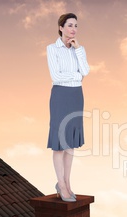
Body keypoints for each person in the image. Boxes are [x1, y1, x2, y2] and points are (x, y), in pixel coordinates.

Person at [46, 13, 90, 202]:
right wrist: (76, 76)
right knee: (59, 143)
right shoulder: (51, 49)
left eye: (76, 26)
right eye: (70, 25)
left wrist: (78, 50)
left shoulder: (79, 50)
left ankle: (67, 182)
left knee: (70, 143)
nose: (73, 29)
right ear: (61, 28)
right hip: (61, 95)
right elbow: (56, 76)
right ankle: (60, 184)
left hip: (76, 96)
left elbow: (86, 71)